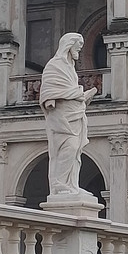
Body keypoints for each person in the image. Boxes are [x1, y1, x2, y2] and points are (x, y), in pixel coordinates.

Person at [39, 32, 96, 197]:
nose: (79, 49)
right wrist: (77, 92)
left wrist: (83, 97)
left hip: (76, 113)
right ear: (68, 45)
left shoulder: (71, 68)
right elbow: (48, 90)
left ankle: (71, 184)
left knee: (76, 149)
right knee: (68, 147)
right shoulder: (54, 65)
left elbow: (65, 90)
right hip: (62, 115)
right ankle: (59, 184)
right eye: (78, 45)